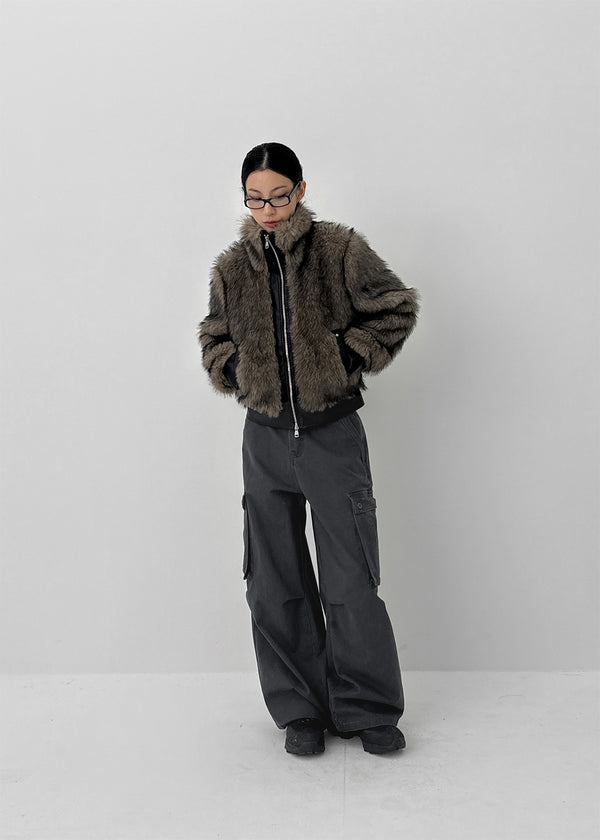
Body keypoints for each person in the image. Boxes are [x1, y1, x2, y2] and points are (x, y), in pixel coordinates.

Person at [198, 142, 420, 756]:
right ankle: (300, 708)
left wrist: (345, 356)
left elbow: (395, 308)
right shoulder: (231, 269)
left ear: (300, 190)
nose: (268, 210)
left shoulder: (339, 250)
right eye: (255, 199)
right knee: (274, 580)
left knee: (350, 577)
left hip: (332, 436)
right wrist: (237, 369)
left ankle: (368, 708)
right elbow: (213, 339)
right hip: (264, 440)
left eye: (279, 196)